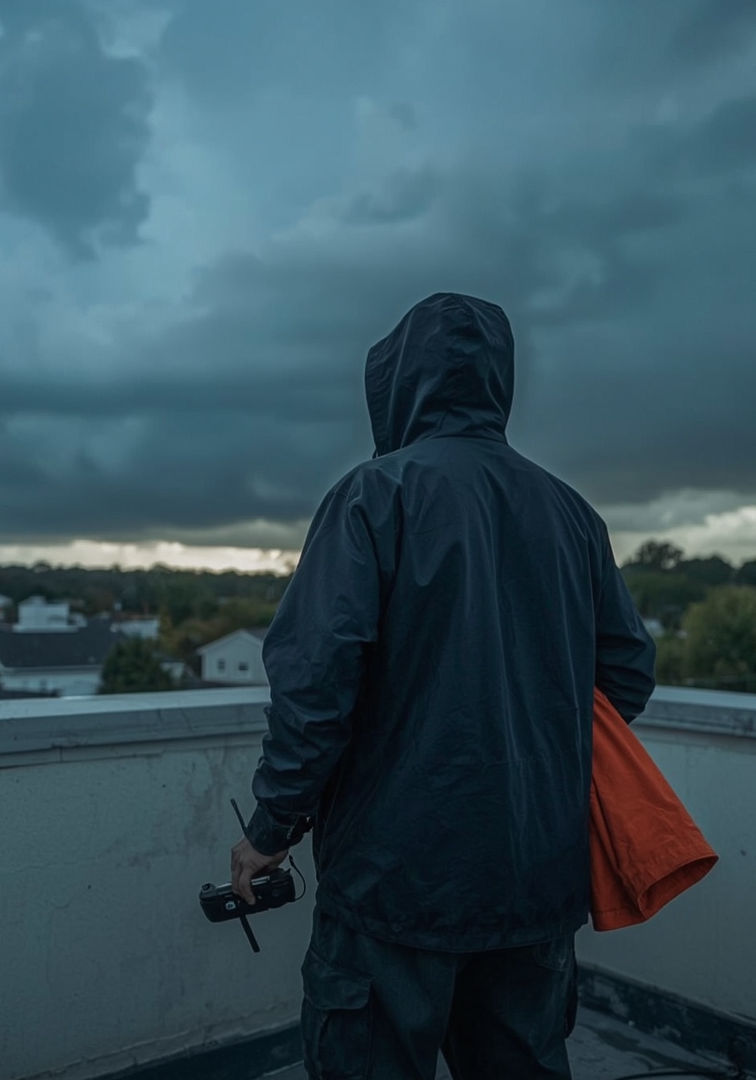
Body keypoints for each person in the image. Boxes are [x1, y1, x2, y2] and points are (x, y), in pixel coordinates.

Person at [228, 292, 659, 1079]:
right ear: (500, 381)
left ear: (399, 384)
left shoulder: (372, 495)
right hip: (536, 876)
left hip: (395, 885)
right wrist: (536, 736)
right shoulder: (571, 513)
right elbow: (627, 669)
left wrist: (270, 830)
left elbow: (315, 684)